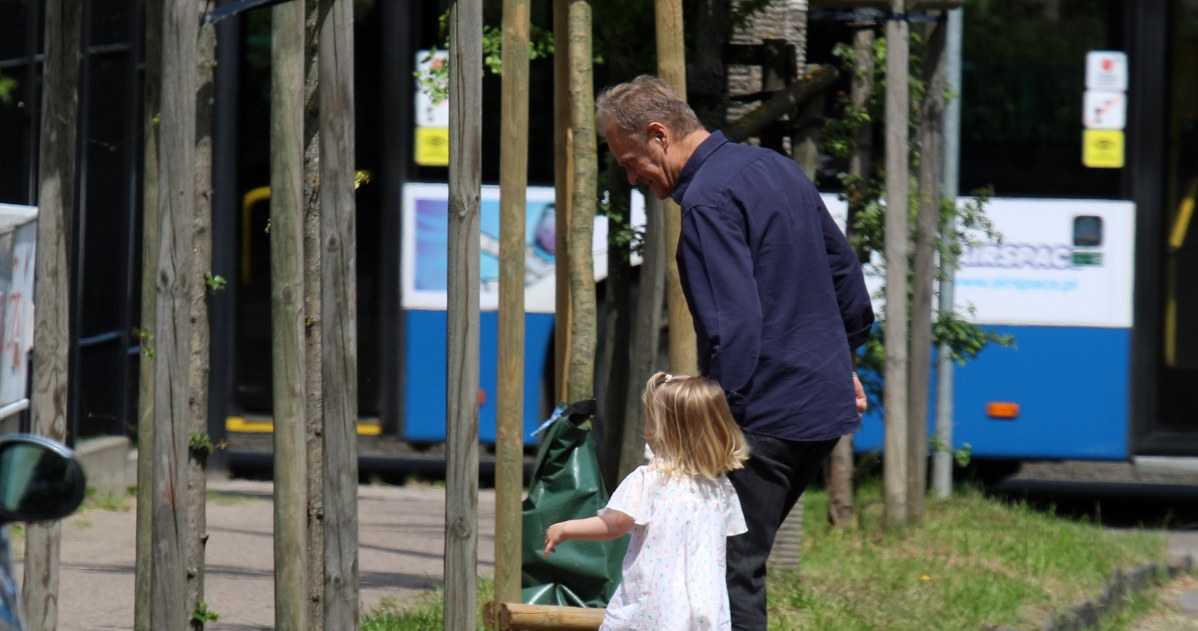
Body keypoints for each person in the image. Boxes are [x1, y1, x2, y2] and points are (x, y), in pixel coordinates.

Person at [594, 75, 875, 630]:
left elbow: (734, 327)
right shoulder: (774, 167)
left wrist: (714, 418)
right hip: (818, 409)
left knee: (723, 566)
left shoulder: (705, 201)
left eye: (631, 162)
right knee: (737, 559)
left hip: (762, 412)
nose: (632, 177)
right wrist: (844, 365)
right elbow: (846, 276)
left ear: (659, 135)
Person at [544, 372, 750, 630]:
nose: (646, 431)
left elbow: (614, 525)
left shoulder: (650, 480)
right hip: (705, 607)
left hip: (656, 606)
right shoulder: (719, 488)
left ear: (671, 432)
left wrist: (566, 528)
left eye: (651, 422)